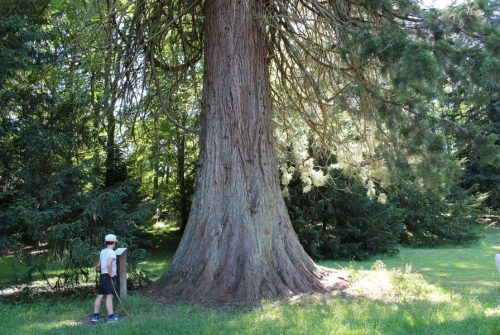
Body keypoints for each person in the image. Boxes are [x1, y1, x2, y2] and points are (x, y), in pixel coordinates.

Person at [91, 234, 124, 323]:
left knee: (100, 295)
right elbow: (109, 264)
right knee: (109, 296)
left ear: (105, 242)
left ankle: (95, 316)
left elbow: (99, 264)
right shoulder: (112, 252)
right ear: (114, 243)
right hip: (108, 277)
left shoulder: (103, 251)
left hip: (102, 276)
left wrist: (95, 269)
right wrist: (110, 274)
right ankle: (111, 318)